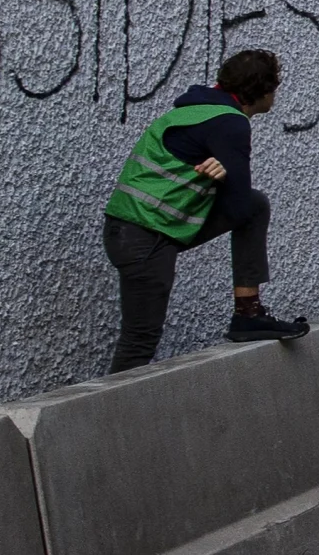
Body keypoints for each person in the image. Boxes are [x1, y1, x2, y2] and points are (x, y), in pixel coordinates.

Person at [103, 48, 308, 371]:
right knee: (139, 340)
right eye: (275, 88)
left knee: (256, 204)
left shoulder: (198, 107)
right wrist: (225, 179)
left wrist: (223, 178)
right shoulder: (230, 123)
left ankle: (247, 312)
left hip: (140, 229)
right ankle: (110, 418)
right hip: (143, 235)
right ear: (263, 91)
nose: (275, 95)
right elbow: (237, 207)